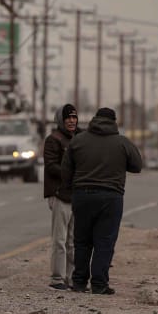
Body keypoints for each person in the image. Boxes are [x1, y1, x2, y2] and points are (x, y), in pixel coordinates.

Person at [60, 107, 142, 295]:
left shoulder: (78, 141)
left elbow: (66, 171)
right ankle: (99, 284)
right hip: (110, 197)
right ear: (114, 121)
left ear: (94, 119)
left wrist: (71, 190)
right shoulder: (122, 142)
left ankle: (79, 282)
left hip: (82, 196)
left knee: (81, 241)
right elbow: (137, 166)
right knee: (104, 242)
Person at [43, 103, 79, 290]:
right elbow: (51, 166)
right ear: (60, 120)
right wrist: (71, 173)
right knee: (59, 239)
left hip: (76, 196)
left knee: (73, 240)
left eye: (74, 117)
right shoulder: (53, 140)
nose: (71, 121)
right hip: (60, 195)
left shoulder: (80, 138)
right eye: (68, 118)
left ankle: (72, 278)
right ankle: (57, 278)